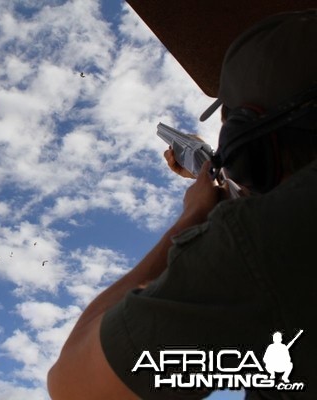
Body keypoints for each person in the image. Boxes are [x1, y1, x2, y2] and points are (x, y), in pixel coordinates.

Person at [47, 9, 317, 400]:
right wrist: (212, 177)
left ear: (247, 146)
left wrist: (194, 213)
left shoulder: (263, 242)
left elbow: (74, 386)